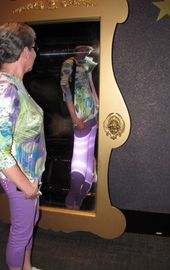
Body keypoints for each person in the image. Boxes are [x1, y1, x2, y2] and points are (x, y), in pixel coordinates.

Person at [0, 22, 55, 270]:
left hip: (29, 174)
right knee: (21, 230)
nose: (36, 54)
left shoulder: (14, 83)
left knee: (31, 221)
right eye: (34, 48)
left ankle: (27, 269)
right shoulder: (4, 90)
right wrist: (25, 186)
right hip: (19, 177)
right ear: (25, 51)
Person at [60, 45, 99, 210]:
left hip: (93, 116)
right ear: (75, 48)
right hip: (81, 117)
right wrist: (75, 118)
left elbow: (91, 84)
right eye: (82, 48)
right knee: (79, 159)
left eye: (87, 48)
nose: (85, 50)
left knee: (89, 158)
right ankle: (72, 201)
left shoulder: (86, 63)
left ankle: (80, 199)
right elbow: (65, 88)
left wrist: (98, 103)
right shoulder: (69, 63)